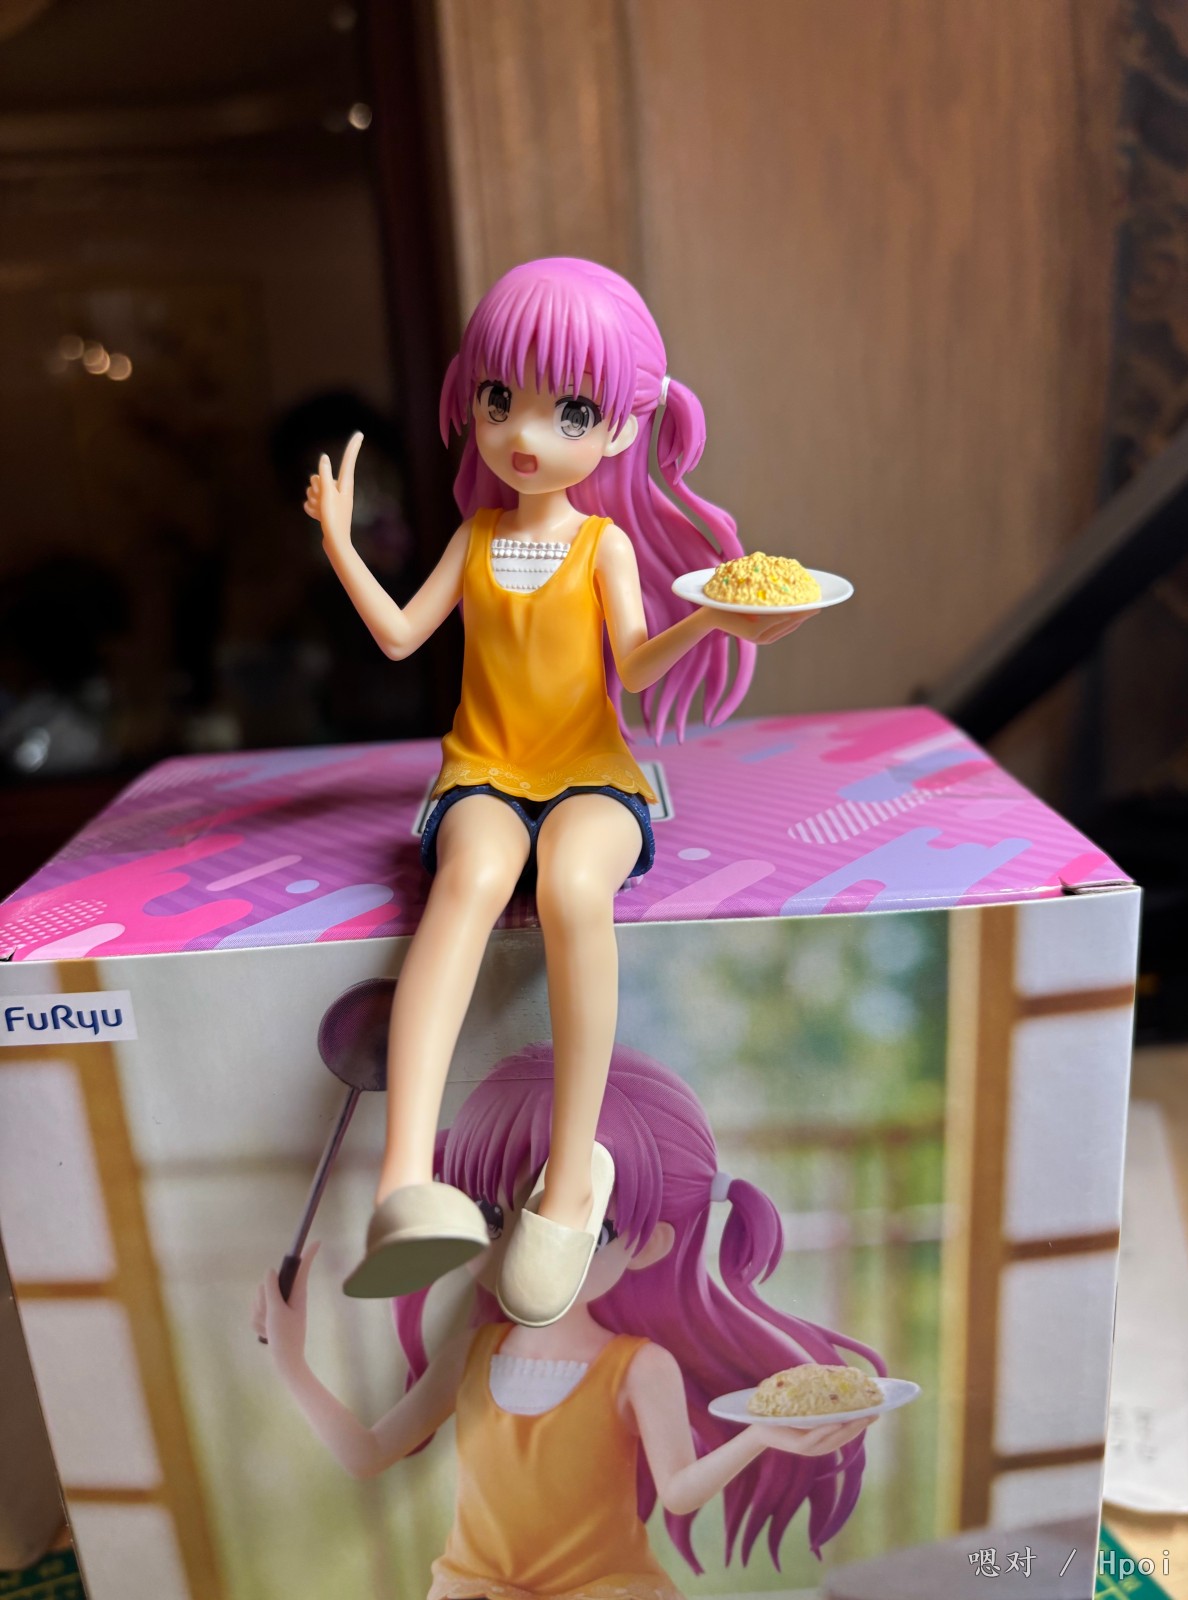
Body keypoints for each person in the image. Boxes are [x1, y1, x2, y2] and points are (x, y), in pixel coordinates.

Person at [305, 259, 811, 1323]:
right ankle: (406, 1183)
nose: (526, 435)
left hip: (588, 773)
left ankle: (572, 1181)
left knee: (575, 888)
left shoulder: (601, 545)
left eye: (569, 411)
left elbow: (635, 669)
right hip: (484, 769)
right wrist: (342, 544)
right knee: (470, 878)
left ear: (621, 429)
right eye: (501, 400)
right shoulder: (477, 538)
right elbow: (398, 636)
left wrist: (713, 618)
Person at [254, 1045, 883, 1599]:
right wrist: (291, 1361)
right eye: (489, 1218)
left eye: (581, 1229)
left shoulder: (639, 1367)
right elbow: (367, 1454)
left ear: (648, 1244)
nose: (520, 1251)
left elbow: (680, 1490)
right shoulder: (470, 1356)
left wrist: (761, 1435)